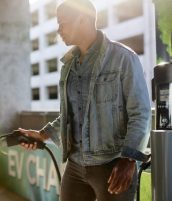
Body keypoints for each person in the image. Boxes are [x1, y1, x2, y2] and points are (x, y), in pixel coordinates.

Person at [19, 0, 151, 200]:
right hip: (75, 166)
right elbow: (71, 115)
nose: (59, 29)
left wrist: (129, 159)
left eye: (63, 22)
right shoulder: (69, 65)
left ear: (83, 19)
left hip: (113, 165)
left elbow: (140, 113)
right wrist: (42, 135)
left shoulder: (123, 58)